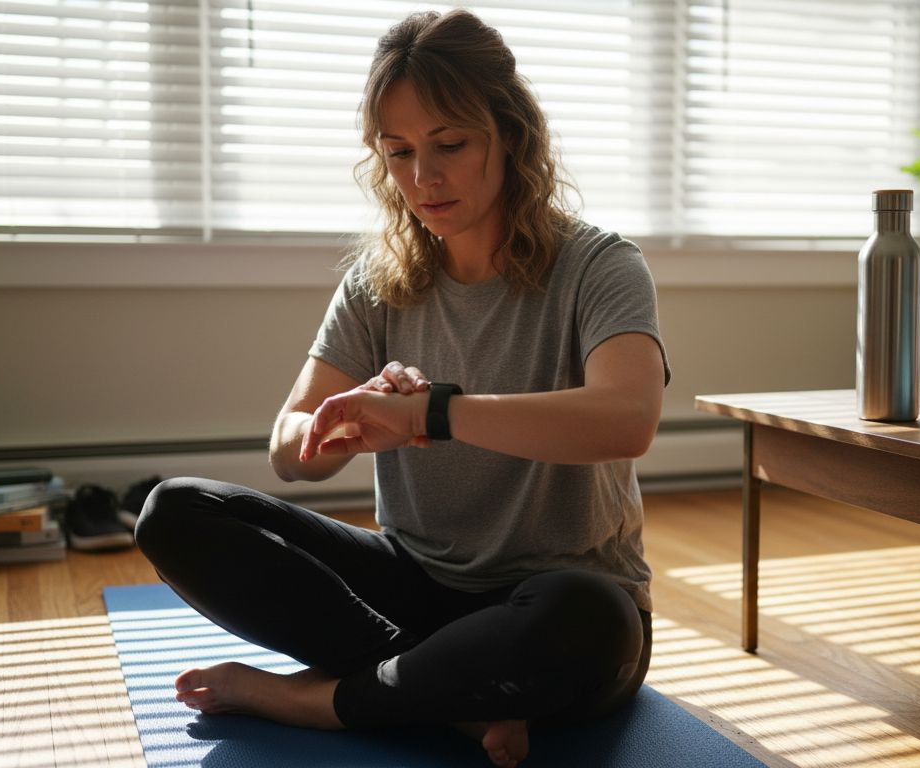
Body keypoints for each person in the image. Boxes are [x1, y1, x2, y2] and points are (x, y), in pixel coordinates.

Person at [134, 9, 669, 768]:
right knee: (176, 511)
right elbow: (290, 450)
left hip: (555, 602)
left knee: (585, 616)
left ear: (510, 133)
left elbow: (627, 419)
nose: (424, 177)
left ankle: (305, 700)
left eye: (450, 144)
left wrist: (430, 415)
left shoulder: (600, 266)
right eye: (399, 152)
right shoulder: (377, 283)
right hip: (416, 586)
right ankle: (447, 694)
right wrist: (338, 423)